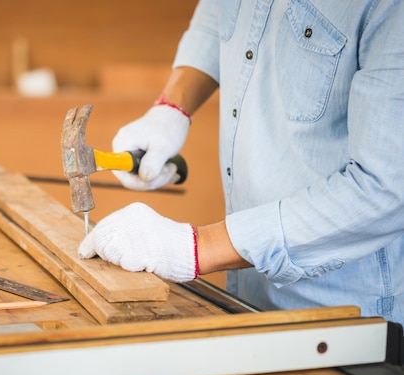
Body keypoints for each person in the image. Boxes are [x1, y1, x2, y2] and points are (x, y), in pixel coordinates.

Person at [78, 0, 404, 328]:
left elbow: (385, 188)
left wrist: (196, 247)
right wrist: (171, 109)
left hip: (347, 319)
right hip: (247, 293)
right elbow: (216, 19)